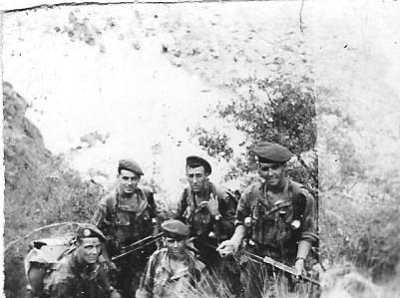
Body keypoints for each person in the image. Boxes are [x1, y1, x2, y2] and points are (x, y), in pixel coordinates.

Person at [217, 142, 319, 298]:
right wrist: (234, 241)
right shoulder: (251, 194)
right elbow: (241, 222)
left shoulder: (301, 196)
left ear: (284, 168)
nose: (270, 173)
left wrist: (300, 261)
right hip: (257, 260)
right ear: (259, 170)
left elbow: (308, 234)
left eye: (275, 168)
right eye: (265, 169)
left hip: (287, 262)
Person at [91, 159, 158, 298]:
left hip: (144, 257)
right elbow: (94, 234)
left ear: (139, 179)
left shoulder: (146, 195)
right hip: (118, 260)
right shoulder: (108, 203)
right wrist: (106, 260)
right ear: (118, 178)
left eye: (133, 179)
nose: (129, 183)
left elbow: (155, 218)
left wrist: (155, 232)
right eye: (125, 178)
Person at [175, 155, 240, 294]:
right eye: (190, 176)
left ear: (207, 175)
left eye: (198, 176)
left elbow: (235, 229)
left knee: (224, 291)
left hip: (220, 252)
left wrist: (216, 214)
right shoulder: (187, 194)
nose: (194, 181)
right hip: (196, 250)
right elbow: (178, 219)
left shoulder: (222, 196)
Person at [43, 224, 121, 298]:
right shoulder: (62, 278)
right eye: (88, 247)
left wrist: (110, 291)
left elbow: (99, 271)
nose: (94, 252)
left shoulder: (89, 260)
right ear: (77, 245)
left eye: (97, 247)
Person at [136, 219, 207, 298]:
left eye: (179, 241)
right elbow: (145, 290)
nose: (176, 246)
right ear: (164, 241)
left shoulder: (197, 267)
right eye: (171, 241)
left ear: (186, 241)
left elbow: (204, 294)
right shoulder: (156, 258)